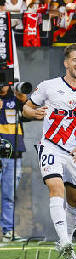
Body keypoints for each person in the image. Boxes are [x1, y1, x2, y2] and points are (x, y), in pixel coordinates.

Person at [23, 44, 76, 259]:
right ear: (66, 63)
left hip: (75, 152)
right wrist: (33, 112)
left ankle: (68, 239)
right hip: (50, 146)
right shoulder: (49, 86)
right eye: (75, 60)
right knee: (55, 187)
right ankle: (65, 243)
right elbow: (26, 107)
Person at [0, 85, 27, 242]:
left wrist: (24, 99)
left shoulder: (17, 96)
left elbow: (30, 113)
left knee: (9, 196)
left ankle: (8, 231)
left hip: (13, 153)